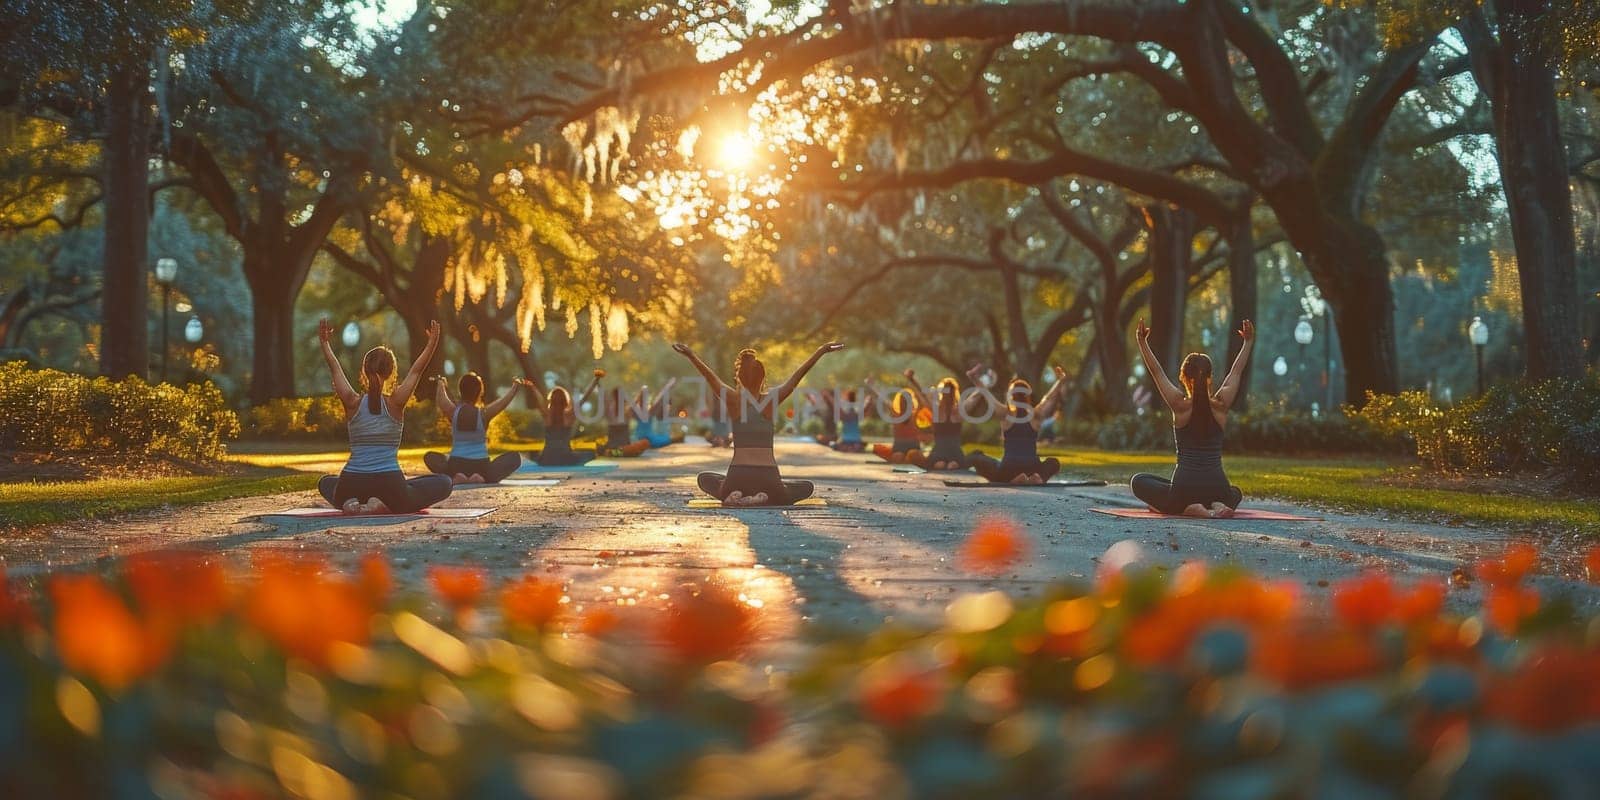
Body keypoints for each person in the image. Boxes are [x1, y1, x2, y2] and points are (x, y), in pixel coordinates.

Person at [674, 341, 844, 506]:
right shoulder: (772, 399)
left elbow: (709, 377)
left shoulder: (733, 399)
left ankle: (733, 494)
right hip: (768, 475)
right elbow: (797, 376)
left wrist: (691, 355)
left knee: (706, 478)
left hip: (737, 474)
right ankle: (764, 497)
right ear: (763, 377)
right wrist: (821, 350)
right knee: (804, 487)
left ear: (738, 378)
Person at [315, 318, 452, 514]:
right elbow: (416, 370)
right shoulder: (395, 403)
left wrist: (325, 343)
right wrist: (431, 344)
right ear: (391, 372)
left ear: (364, 370)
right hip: (389, 484)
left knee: (326, 482)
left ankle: (349, 503)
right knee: (444, 482)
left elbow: (335, 367)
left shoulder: (352, 402)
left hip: (351, 483)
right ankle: (380, 504)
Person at [1129, 319, 1254, 517]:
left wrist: (1142, 342)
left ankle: (1189, 508)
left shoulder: (1179, 405)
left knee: (1139, 480)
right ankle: (1219, 504)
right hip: (1217, 485)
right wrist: (1247, 342)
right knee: (1235, 492)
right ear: (1210, 377)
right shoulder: (1221, 404)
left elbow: (1157, 372)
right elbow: (1235, 372)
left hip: (1185, 487)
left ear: (1183, 377)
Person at [964, 364, 1069, 484]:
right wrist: (1060, 381)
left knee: (979, 459)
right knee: (1053, 463)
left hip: (1009, 467)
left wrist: (974, 378)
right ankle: (1038, 478)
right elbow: (1049, 398)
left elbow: (986, 394)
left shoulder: (1005, 414)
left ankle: (1014, 479)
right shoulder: (1036, 415)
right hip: (1032, 467)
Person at [423, 372, 525, 484]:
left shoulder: (453, 412)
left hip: (456, 465)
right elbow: (502, 403)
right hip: (481, 466)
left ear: (460, 390)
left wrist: (441, 384)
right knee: (515, 457)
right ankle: (482, 478)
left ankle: (455, 477)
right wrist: (515, 387)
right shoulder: (484, 414)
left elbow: (441, 399)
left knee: (430, 457)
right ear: (479, 392)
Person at [902, 370, 978, 470]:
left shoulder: (957, 410)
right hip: (940, 451)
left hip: (953, 451)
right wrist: (912, 380)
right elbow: (923, 393)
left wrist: (912, 379)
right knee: (942, 465)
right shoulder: (939, 409)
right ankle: (950, 464)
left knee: (951, 465)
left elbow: (974, 398)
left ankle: (953, 464)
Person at [527, 370, 603, 466]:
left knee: (532, 456)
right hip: (565, 458)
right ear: (565, 401)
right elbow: (584, 398)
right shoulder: (569, 416)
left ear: (551, 401)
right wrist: (595, 380)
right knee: (591, 454)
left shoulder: (548, 415)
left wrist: (531, 386)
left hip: (548, 458)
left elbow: (539, 400)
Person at [871, 375, 926, 464]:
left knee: (913, 456)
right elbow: (883, 397)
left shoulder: (915, 414)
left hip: (913, 447)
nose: (902, 403)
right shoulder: (895, 414)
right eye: (901, 401)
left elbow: (921, 398)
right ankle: (903, 460)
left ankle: (909, 460)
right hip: (898, 447)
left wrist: (912, 381)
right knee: (898, 457)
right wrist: (872, 385)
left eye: (905, 401)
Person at [599, 386, 652, 457]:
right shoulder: (622, 409)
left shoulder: (613, 409)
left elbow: (636, 401)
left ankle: (614, 453)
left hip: (618, 448)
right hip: (621, 448)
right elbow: (636, 401)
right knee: (645, 443)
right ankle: (615, 452)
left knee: (644, 443)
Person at [631, 378, 678, 448]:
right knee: (666, 439)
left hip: (648, 439)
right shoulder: (637, 411)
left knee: (666, 439)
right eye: (643, 396)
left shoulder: (649, 411)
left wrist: (668, 386)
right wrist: (668, 386)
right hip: (640, 438)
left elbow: (659, 398)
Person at [830, 388, 866, 452]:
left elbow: (835, 405)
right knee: (835, 444)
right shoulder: (856, 413)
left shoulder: (845, 414)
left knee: (832, 444)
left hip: (846, 440)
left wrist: (828, 396)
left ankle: (850, 447)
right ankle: (854, 447)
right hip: (855, 440)